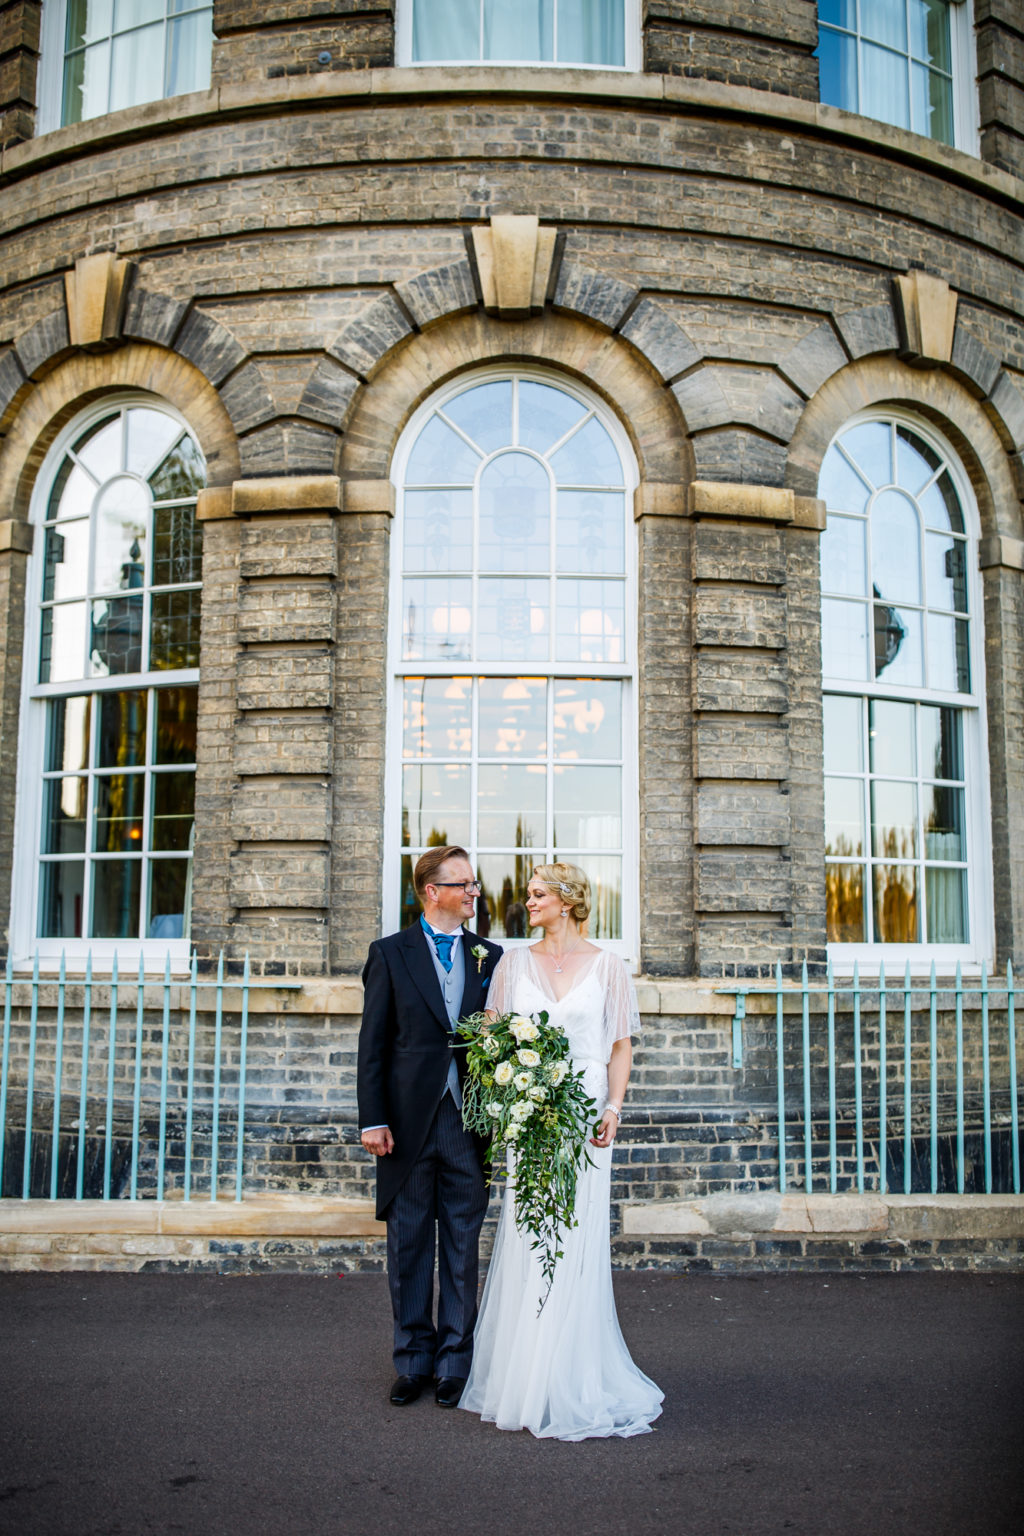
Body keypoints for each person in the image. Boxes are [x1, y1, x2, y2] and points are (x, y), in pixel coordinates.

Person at [460, 862, 664, 1440]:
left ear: (569, 900)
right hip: (530, 1117)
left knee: (575, 1238)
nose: (529, 902)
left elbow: (619, 1046)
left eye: (539, 894)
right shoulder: (511, 963)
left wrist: (614, 1108)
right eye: (529, 895)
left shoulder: (608, 966)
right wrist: (509, 1090)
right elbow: (491, 1038)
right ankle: (526, 1378)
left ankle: (574, 1374)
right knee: (529, 1236)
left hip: (585, 1118)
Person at [358, 845, 503, 1409]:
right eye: (463, 884)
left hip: (469, 1119)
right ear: (431, 891)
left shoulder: (491, 956)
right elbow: (372, 1044)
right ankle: (413, 1360)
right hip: (405, 1124)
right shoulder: (389, 954)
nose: (474, 893)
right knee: (410, 1241)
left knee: (463, 1244)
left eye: (474, 884)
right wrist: (373, 1118)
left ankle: (454, 1364)